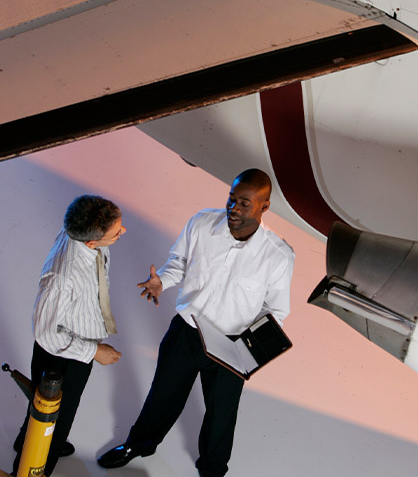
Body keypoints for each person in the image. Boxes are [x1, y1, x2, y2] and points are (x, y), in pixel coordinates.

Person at [98, 169, 295, 477]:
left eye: (245, 203)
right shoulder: (202, 223)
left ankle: (213, 468)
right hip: (187, 332)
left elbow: (276, 310)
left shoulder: (278, 256)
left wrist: (249, 349)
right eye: (231, 199)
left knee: (221, 415)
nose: (234, 208)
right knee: (163, 394)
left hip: (231, 346)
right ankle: (139, 444)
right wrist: (161, 281)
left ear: (264, 207)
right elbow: (180, 263)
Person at [12, 194, 125, 477]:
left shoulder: (81, 235)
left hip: (76, 339)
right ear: (90, 242)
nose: (123, 233)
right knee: (57, 418)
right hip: (62, 357)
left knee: (40, 406)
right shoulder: (62, 278)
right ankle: (34, 467)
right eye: (116, 233)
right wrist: (94, 352)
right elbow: (46, 333)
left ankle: (24, 441)